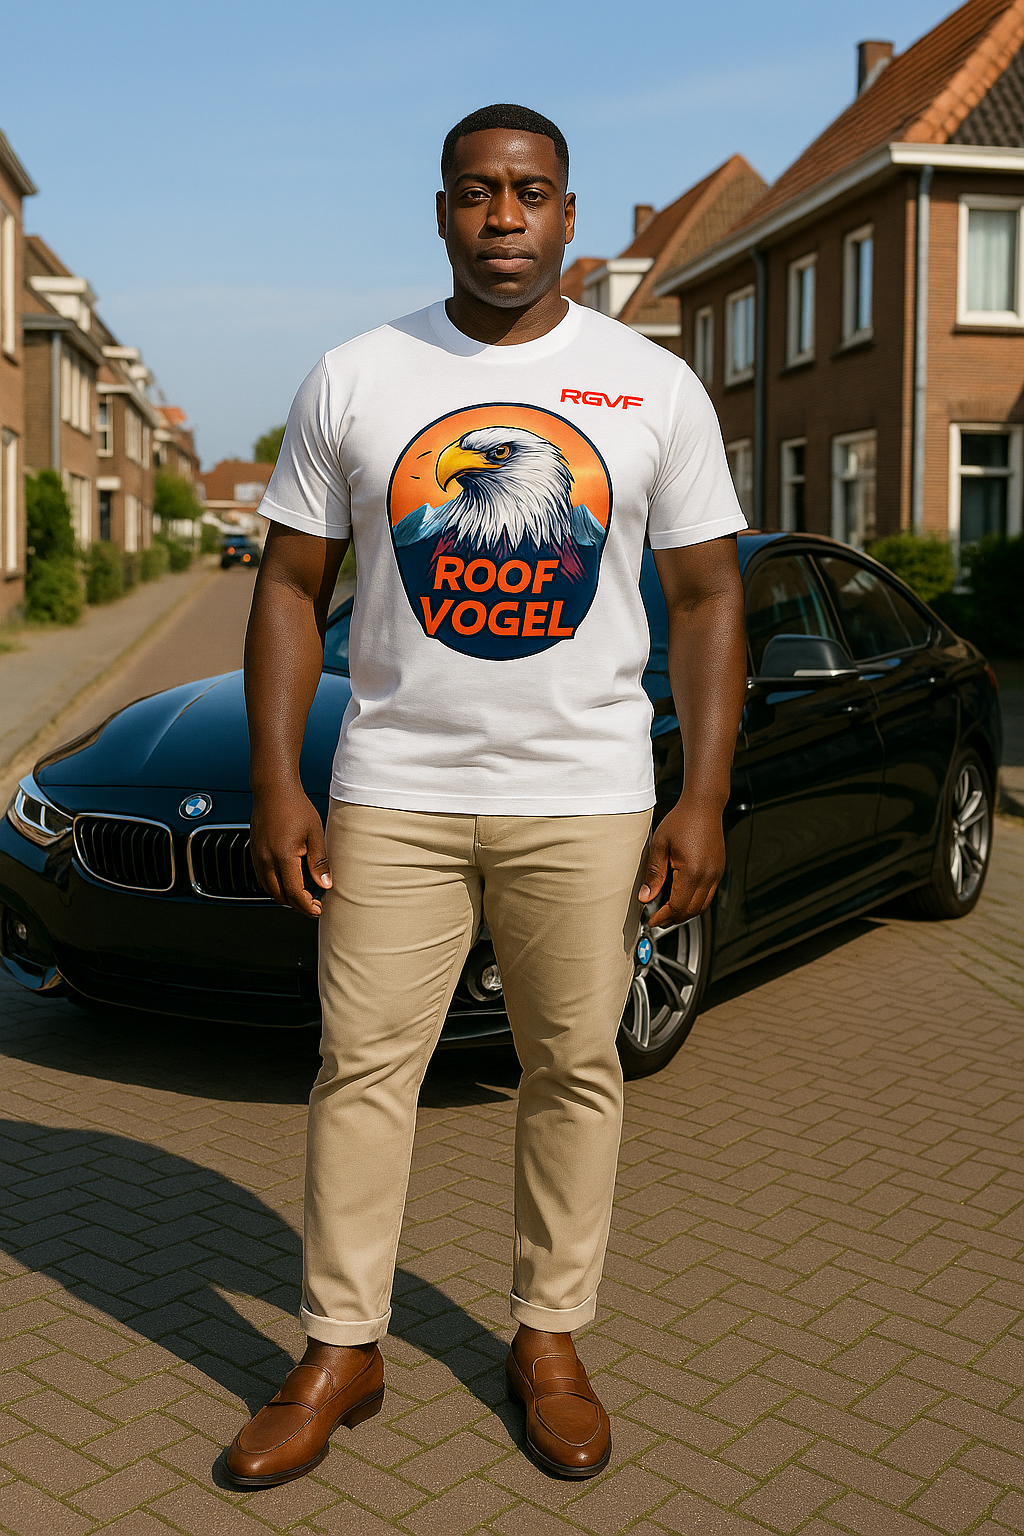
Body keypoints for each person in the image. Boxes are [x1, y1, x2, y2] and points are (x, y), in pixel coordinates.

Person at [226, 102, 747, 1490]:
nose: (503, 216)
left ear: (571, 215)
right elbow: (288, 584)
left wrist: (701, 797)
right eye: (476, 192)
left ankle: (550, 1336)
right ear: (442, 210)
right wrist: (278, 776)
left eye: (530, 192)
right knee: (361, 1072)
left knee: (574, 1070)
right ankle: (344, 1344)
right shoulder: (357, 376)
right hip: (393, 790)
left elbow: (707, 598)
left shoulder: (651, 387)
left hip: (587, 798)